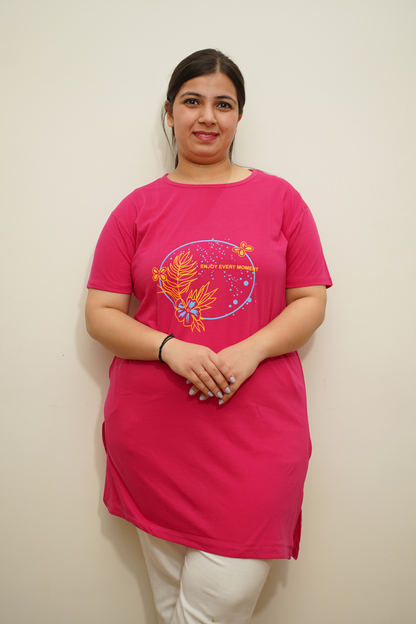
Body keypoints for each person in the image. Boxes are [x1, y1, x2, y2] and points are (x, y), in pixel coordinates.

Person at [85, 48, 332, 624]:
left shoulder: (281, 200)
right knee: (175, 608)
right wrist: (170, 348)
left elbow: (311, 300)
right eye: (192, 101)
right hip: (156, 435)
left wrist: (250, 350)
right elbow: (101, 314)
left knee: (208, 609)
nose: (207, 117)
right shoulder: (137, 209)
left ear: (239, 116)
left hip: (258, 431)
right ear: (169, 112)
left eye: (223, 104)